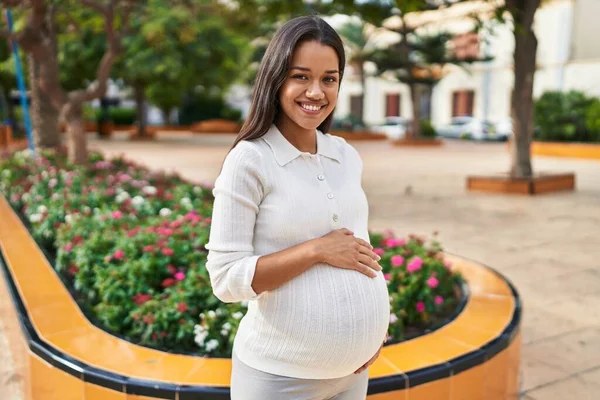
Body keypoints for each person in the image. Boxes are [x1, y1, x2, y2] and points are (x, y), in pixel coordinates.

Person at [205, 15, 390, 400]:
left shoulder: (346, 155)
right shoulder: (250, 160)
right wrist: (317, 249)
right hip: (280, 379)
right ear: (276, 79)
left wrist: (374, 327)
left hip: (353, 373)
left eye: (329, 78)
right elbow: (225, 279)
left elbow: (360, 251)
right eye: (300, 76)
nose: (316, 91)